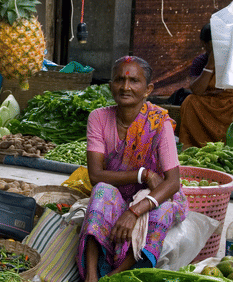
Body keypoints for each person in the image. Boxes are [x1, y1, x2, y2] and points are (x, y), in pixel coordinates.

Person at [76, 56, 189, 282]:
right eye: (119, 80)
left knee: (162, 211)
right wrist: (143, 174)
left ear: (148, 89)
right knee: (101, 190)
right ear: (110, 85)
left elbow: (172, 182)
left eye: (134, 81)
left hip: (154, 196)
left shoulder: (159, 123)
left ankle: (116, 276)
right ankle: (90, 275)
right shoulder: (98, 118)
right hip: (119, 192)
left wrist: (134, 211)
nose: (125, 87)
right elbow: (96, 175)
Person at [179, 23, 233, 149]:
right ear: (204, 44)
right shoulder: (200, 61)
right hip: (208, 104)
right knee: (190, 101)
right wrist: (210, 65)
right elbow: (197, 90)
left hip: (229, 104)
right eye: (215, 44)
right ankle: (192, 146)